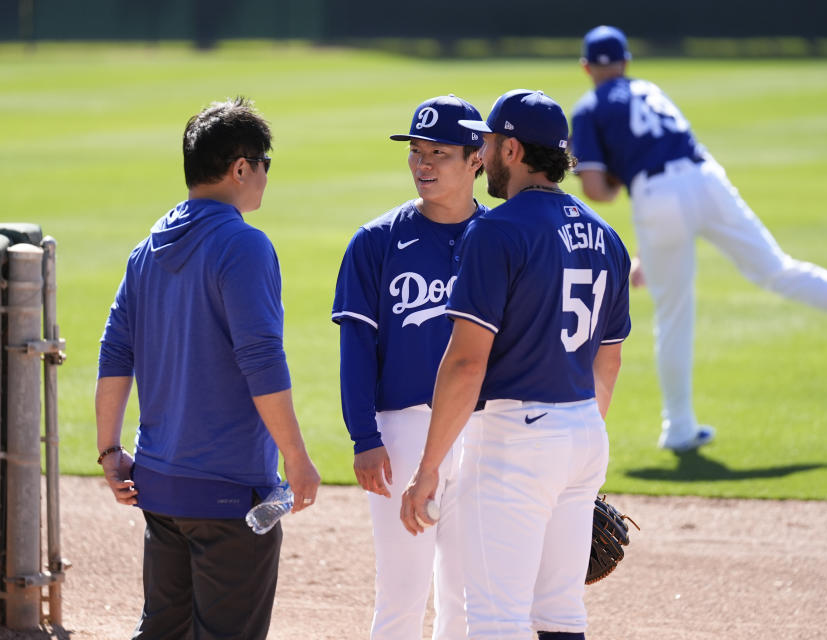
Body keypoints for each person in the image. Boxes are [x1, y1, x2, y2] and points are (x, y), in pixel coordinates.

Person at [570, 25, 827, 453]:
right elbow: (664, 150)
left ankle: (679, 427)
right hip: (706, 177)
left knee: (674, 313)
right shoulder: (649, 90)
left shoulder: (589, 106)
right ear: (627, 63)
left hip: (656, 197)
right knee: (779, 270)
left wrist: (617, 181)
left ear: (585, 68)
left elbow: (598, 190)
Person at [400, 89, 632, 640]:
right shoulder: (607, 237)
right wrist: (575, 441)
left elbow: (464, 364)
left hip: (514, 444)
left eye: (487, 140)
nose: (479, 149)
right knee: (560, 615)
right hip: (583, 435)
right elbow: (610, 360)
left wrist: (428, 467)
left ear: (511, 149)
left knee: (496, 620)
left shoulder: (497, 230)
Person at [96, 96, 322, 640]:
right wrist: (296, 457)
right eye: (265, 161)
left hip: (160, 484)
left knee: (163, 631)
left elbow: (114, 352)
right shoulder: (243, 245)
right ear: (241, 167)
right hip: (228, 491)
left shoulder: (146, 248)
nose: (267, 175)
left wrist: (109, 452)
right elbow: (261, 360)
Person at [331, 94, 488, 640]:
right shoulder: (376, 241)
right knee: (401, 593)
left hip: (482, 429)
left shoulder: (499, 239)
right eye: (416, 151)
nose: (423, 164)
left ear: (477, 158)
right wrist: (362, 436)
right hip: (400, 432)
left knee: (467, 596)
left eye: (439, 153)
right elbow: (355, 349)